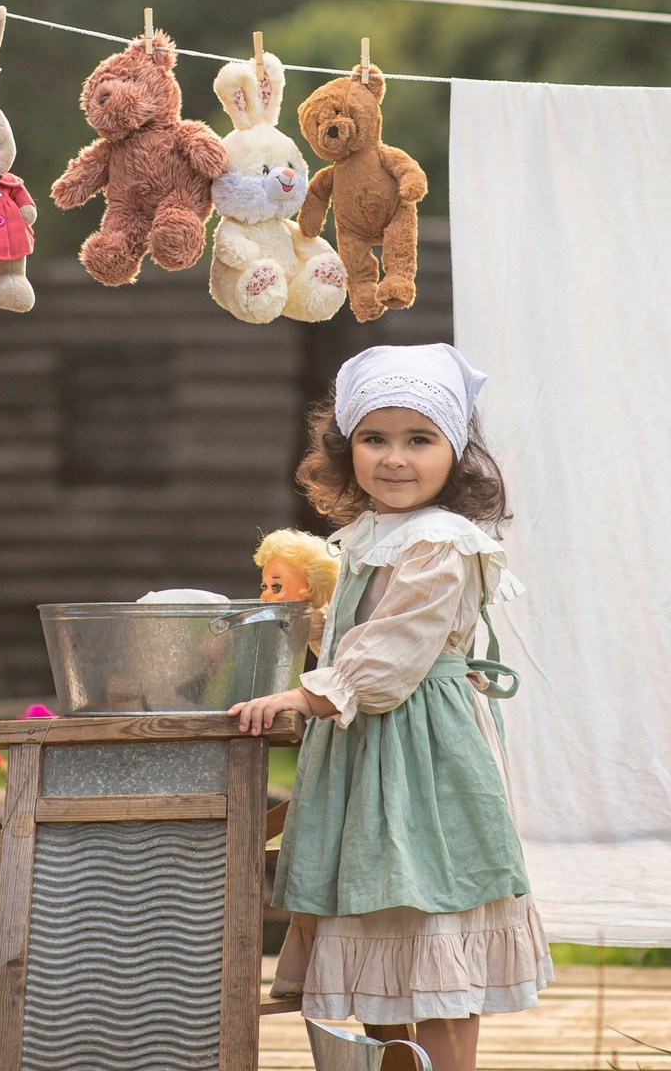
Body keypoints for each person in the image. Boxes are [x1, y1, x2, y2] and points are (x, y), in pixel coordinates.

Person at [230, 343, 552, 1071]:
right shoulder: (368, 537)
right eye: (375, 438)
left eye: (420, 440)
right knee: (378, 922)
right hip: (369, 747)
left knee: (427, 913)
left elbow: (395, 650)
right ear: (347, 450)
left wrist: (308, 693)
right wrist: (303, 620)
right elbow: (360, 636)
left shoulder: (441, 542)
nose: (395, 458)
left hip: (423, 751)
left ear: (455, 452)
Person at [254, 528, 339, 655]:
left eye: (276, 587)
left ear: (309, 588)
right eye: (264, 586)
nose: (263, 597)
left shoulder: (327, 626)